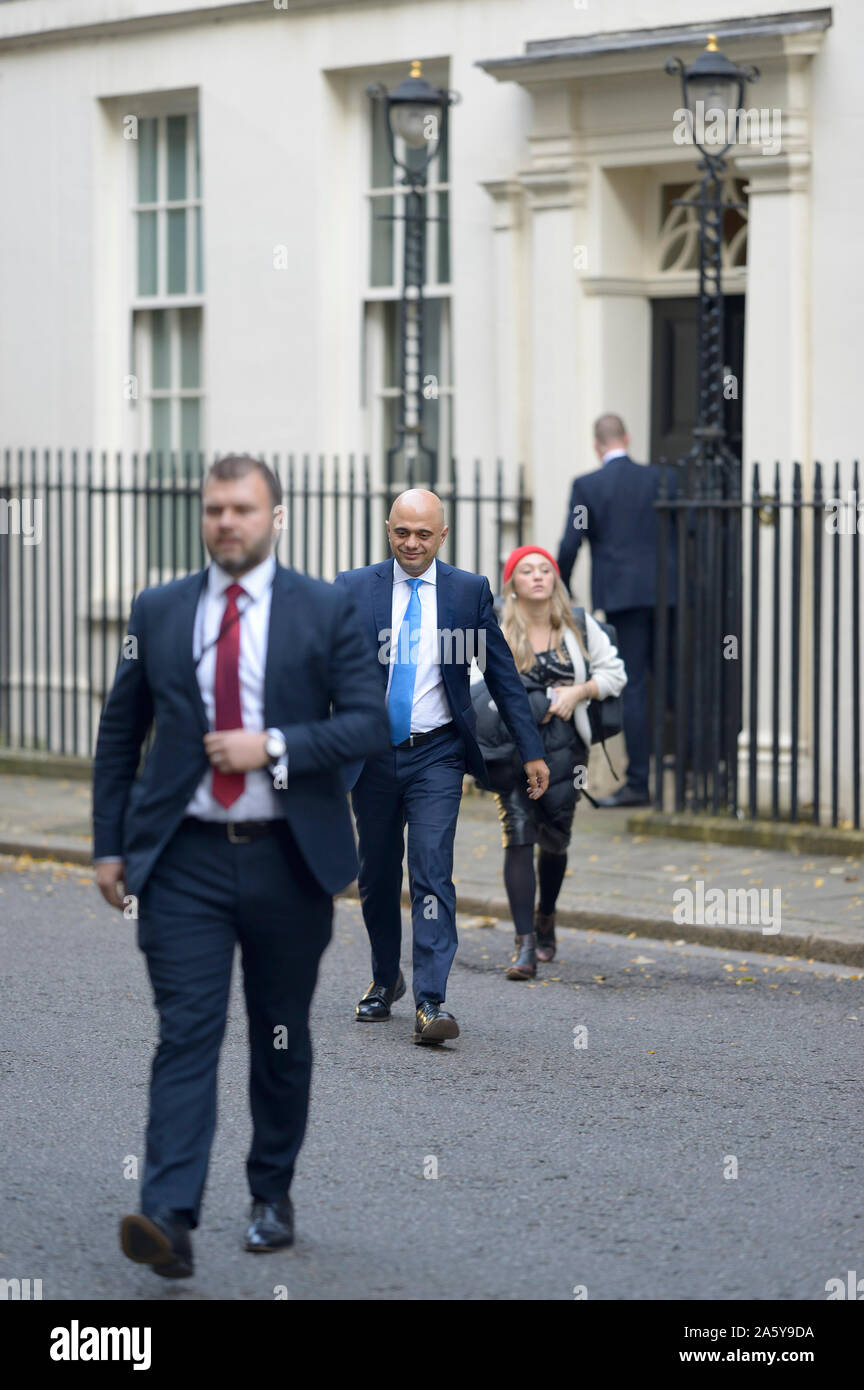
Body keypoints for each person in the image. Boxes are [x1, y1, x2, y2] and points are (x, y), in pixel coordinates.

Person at [92, 455, 389, 1279]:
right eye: (215, 508)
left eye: (244, 509)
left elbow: (368, 724)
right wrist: (110, 843)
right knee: (186, 1031)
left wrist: (278, 746)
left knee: (278, 1034)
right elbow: (122, 733)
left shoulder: (324, 611)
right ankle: (168, 1215)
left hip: (286, 860)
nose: (228, 521)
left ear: (274, 517)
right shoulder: (158, 610)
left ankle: (270, 1195)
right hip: (182, 859)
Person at [333, 490, 549, 1045]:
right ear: (388, 528)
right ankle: (386, 981)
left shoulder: (466, 592)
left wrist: (532, 751)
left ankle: (432, 1001)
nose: (411, 543)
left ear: (442, 536)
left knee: (431, 870)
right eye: (402, 532)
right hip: (373, 756)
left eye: (423, 534)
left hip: (438, 753)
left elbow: (502, 676)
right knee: (377, 876)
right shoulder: (354, 589)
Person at [470, 546, 626, 976]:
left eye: (545, 570)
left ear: (555, 579)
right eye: (526, 570)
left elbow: (616, 673)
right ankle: (523, 944)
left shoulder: (578, 623)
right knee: (517, 830)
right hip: (511, 746)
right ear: (512, 583)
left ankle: (546, 917)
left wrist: (579, 692)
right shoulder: (497, 623)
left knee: (555, 837)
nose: (537, 576)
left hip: (565, 744)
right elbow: (473, 685)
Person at [557, 413, 676, 807]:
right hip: (671, 592)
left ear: (597, 445)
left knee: (635, 685)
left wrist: (563, 588)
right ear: (628, 437)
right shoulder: (663, 478)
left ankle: (640, 783)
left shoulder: (589, 486)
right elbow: (692, 526)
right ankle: (694, 773)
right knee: (678, 680)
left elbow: (571, 544)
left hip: (623, 597)